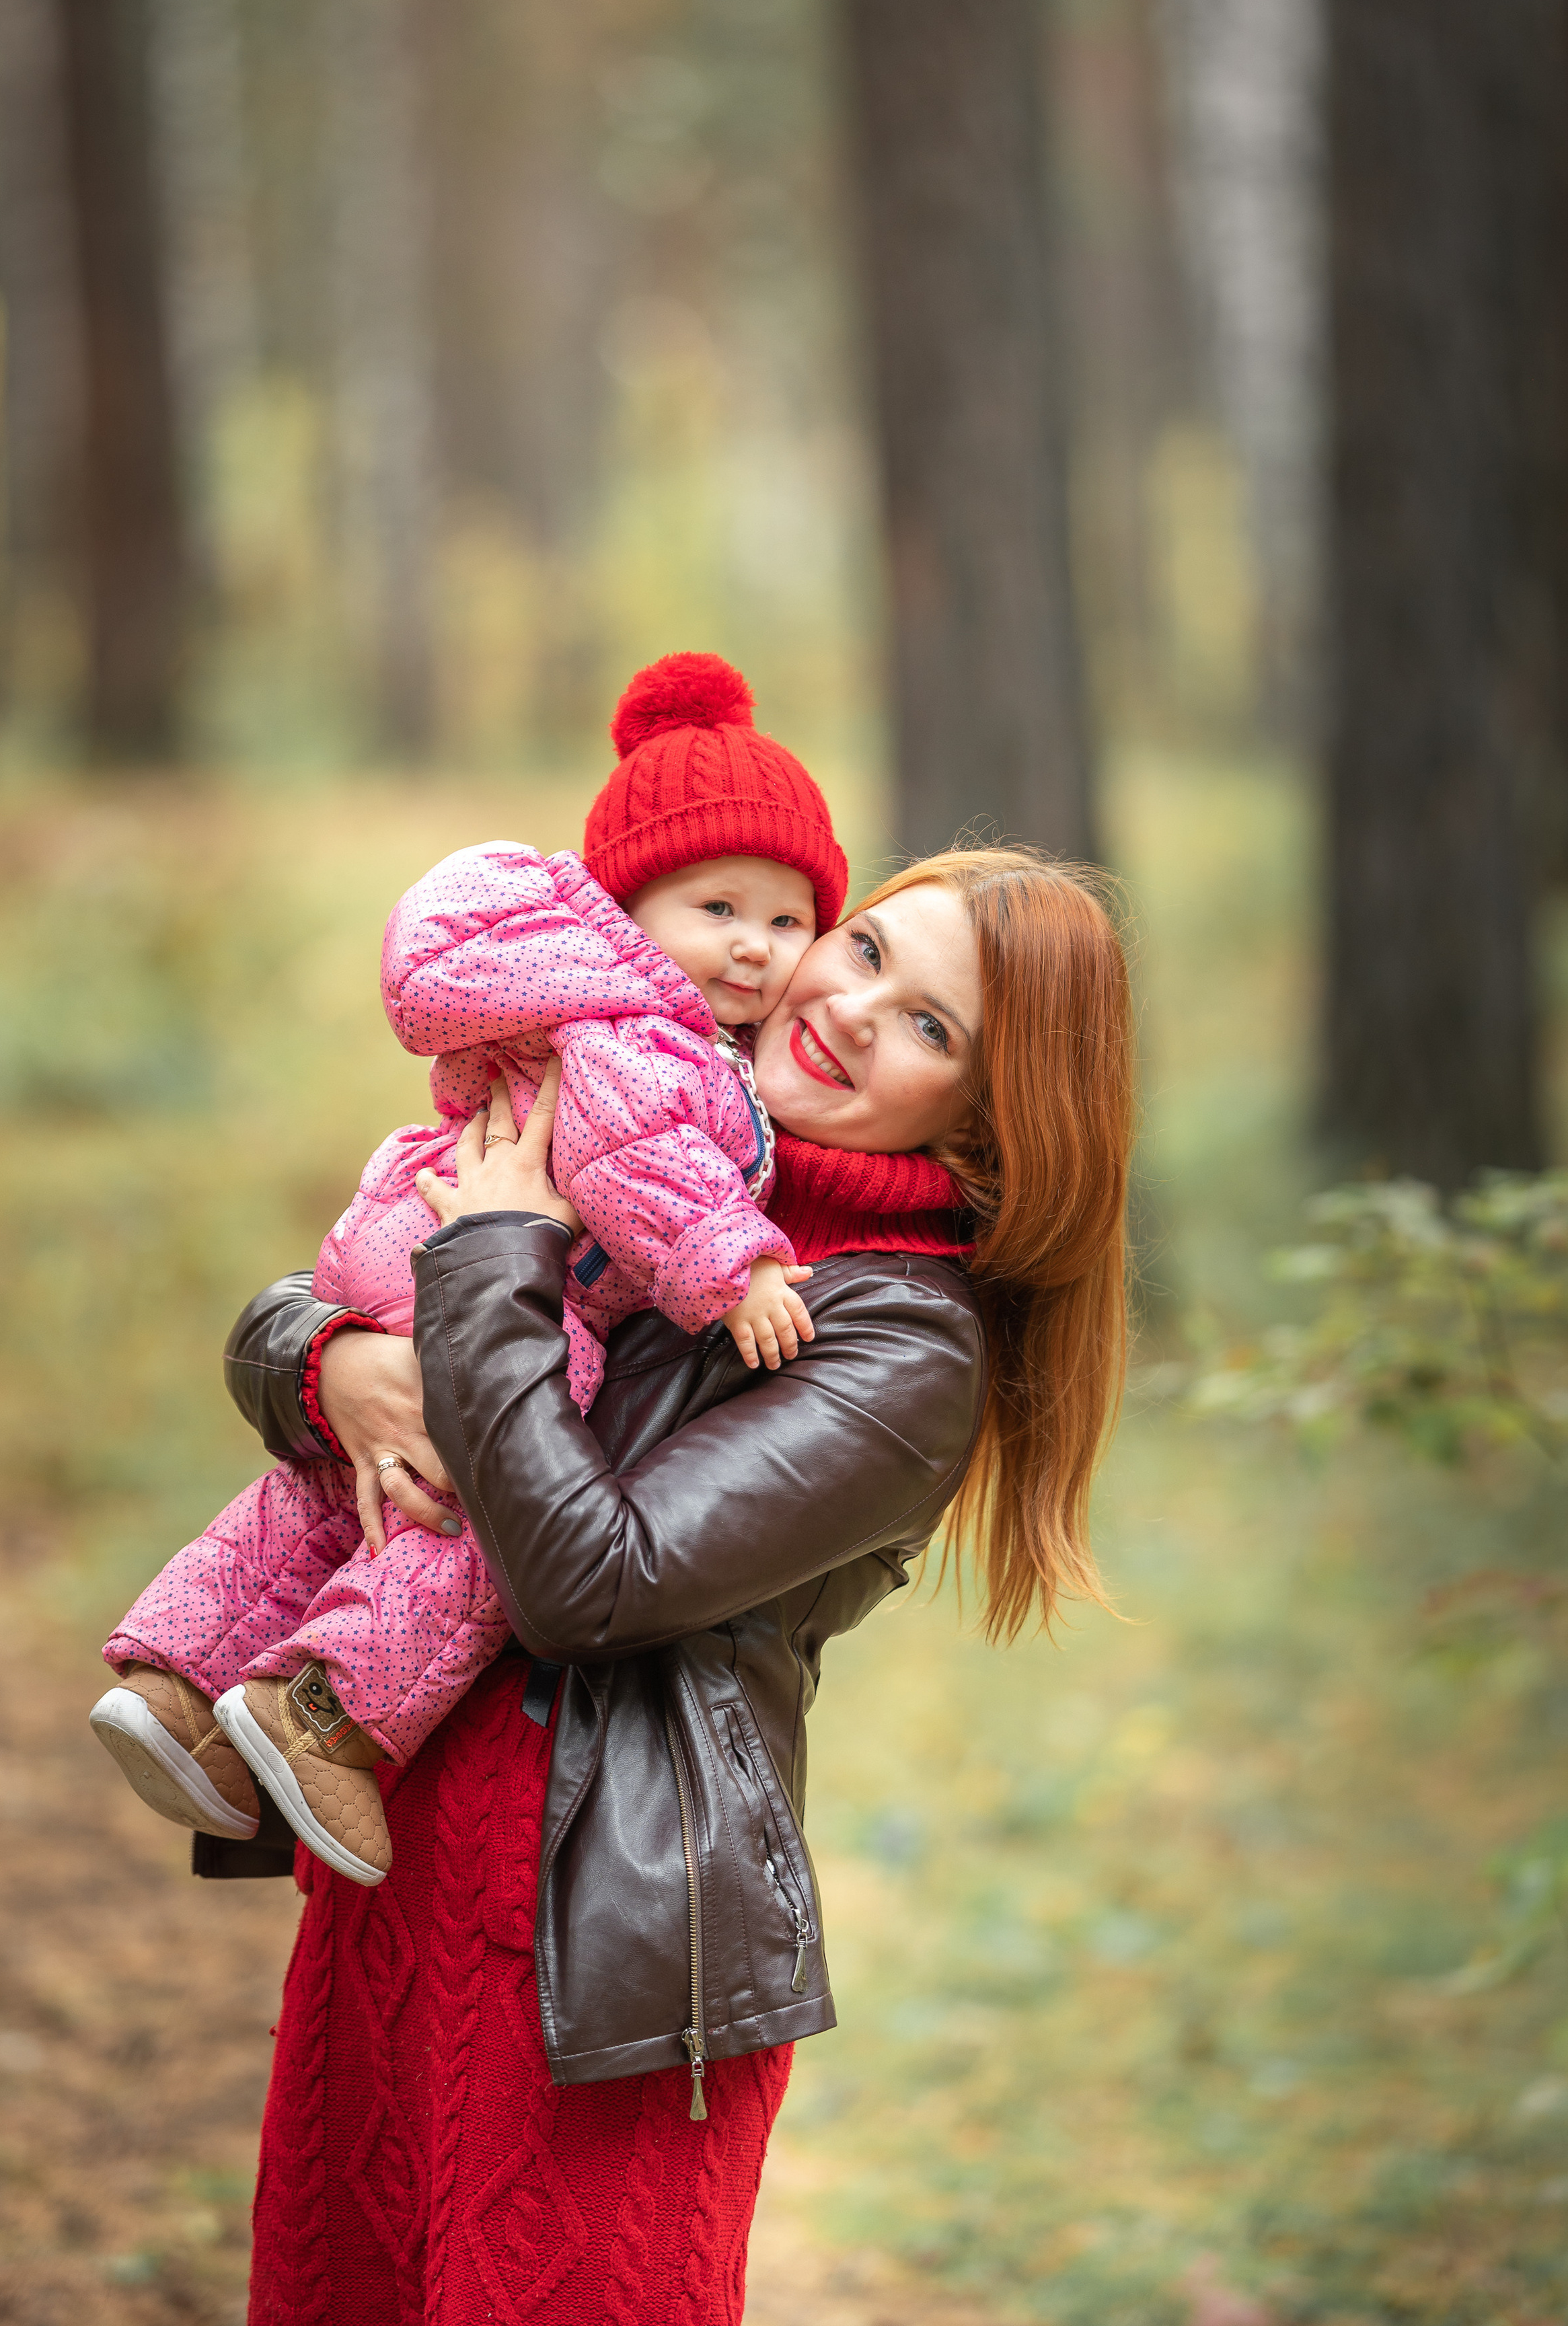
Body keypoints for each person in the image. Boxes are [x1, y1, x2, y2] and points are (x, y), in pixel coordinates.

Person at [221, 840, 1136, 2325]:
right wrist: (329, 1363)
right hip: (400, 1856)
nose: (848, 1008)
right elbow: (331, 1298)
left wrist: (497, 1257)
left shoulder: (902, 1346)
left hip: (607, 1965)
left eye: (930, 1028)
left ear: (984, 1127)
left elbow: (592, 1578)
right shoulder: (669, 1138)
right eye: (865, 952)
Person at [89, 654, 846, 1890]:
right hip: (494, 1257)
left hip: (405, 1238)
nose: (757, 951)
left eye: (786, 920)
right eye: (718, 911)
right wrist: (739, 1266)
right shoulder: (641, 1030)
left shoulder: (594, 1005)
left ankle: (177, 1678)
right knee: (488, 1496)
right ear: (627, 908)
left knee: (347, 1488)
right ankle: (326, 1713)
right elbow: (636, 1157)